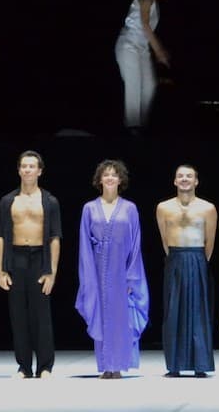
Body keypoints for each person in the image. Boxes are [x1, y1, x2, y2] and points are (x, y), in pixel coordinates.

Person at [75, 160, 150, 379]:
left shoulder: (130, 208)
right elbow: (84, 245)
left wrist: (131, 277)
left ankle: (117, 366)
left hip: (122, 271)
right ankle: (105, 365)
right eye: (105, 175)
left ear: (120, 180)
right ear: (99, 179)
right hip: (97, 270)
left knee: (120, 318)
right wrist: (87, 276)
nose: (109, 178)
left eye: (113, 175)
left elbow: (136, 244)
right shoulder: (89, 208)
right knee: (101, 315)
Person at [0, 151, 62, 378]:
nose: (27, 170)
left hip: (39, 258)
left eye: (32, 166)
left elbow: (54, 237)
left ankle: (45, 366)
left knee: (41, 315)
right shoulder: (8, 201)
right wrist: (1, 269)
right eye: (24, 166)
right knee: (18, 315)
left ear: (40, 171)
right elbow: (1, 236)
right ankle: (24, 366)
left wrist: (51, 271)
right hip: (16, 258)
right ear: (18, 170)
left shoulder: (50, 201)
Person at [155, 165, 217, 377]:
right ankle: (174, 365)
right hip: (174, 258)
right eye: (180, 176)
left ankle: (200, 364)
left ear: (196, 181)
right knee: (173, 312)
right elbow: (164, 239)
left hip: (198, 257)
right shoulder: (163, 207)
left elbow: (210, 242)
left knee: (198, 311)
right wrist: (175, 258)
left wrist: (198, 261)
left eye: (189, 176)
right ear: (174, 181)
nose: (184, 179)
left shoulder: (208, 208)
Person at [116, 0, 172, 133]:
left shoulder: (157, 6)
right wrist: (159, 51)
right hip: (128, 45)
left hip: (142, 48)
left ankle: (142, 125)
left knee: (150, 86)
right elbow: (145, 24)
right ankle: (133, 127)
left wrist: (158, 49)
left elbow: (148, 32)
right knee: (134, 84)